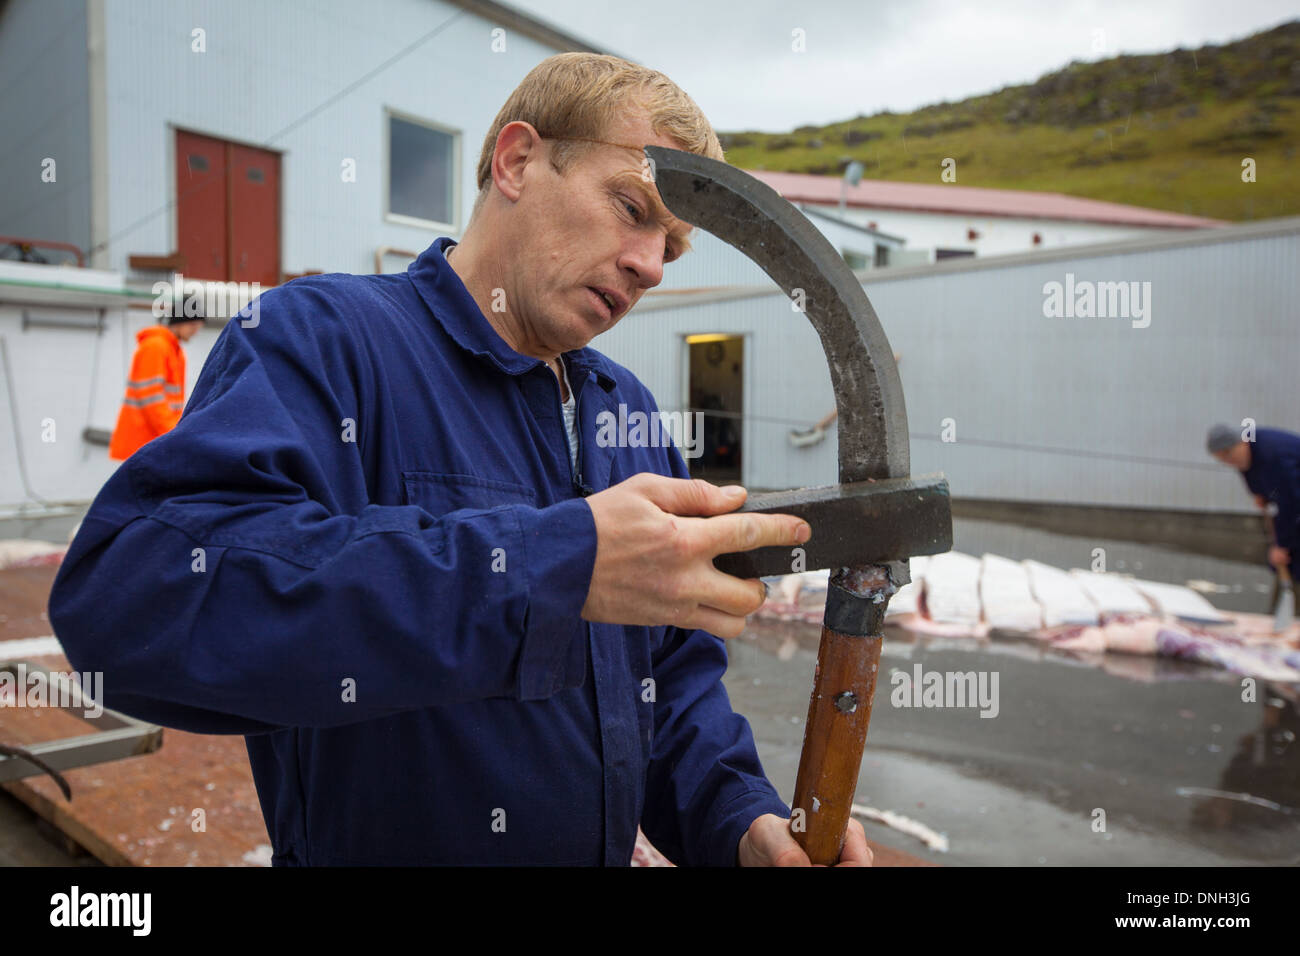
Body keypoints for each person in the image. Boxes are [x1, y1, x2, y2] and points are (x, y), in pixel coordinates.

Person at [48, 53, 870, 867]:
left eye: (672, 247)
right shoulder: (326, 343)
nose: (649, 266)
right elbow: (133, 609)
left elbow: (671, 681)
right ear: (516, 160)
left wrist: (739, 819)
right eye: (631, 207)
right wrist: (551, 569)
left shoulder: (627, 413)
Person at [1207, 423, 1300, 584]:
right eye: (1221, 459)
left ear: (1242, 442)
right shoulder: (1246, 457)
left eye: (1228, 454)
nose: (1228, 462)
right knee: (1285, 560)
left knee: (1290, 556)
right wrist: (1262, 494)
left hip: (1295, 503)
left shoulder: (1273, 456)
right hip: (1292, 501)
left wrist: (1282, 545)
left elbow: (1292, 503)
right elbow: (1249, 473)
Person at [107, 308, 205, 460]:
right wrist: (173, 434)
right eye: (193, 326)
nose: (195, 332)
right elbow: (151, 398)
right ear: (179, 322)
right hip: (143, 441)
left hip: (152, 441)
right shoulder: (156, 347)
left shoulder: (173, 350)